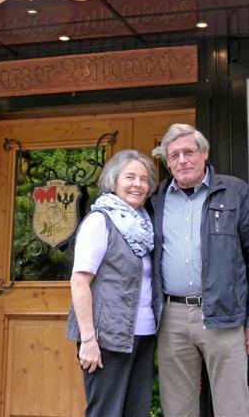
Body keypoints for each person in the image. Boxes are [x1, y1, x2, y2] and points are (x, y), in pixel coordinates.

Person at [152, 123, 249, 417]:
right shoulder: (156, 199)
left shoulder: (234, 191)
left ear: (204, 153)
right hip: (171, 317)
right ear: (167, 161)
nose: (182, 160)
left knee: (232, 407)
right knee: (177, 409)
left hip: (223, 314)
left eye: (189, 152)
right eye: (174, 155)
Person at [66, 149, 159, 417]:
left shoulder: (145, 226)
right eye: (130, 177)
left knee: (136, 411)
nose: (138, 184)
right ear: (113, 181)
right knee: (106, 412)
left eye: (143, 179)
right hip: (105, 337)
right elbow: (79, 282)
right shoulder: (100, 221)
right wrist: (88, 340)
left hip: (143, 334)